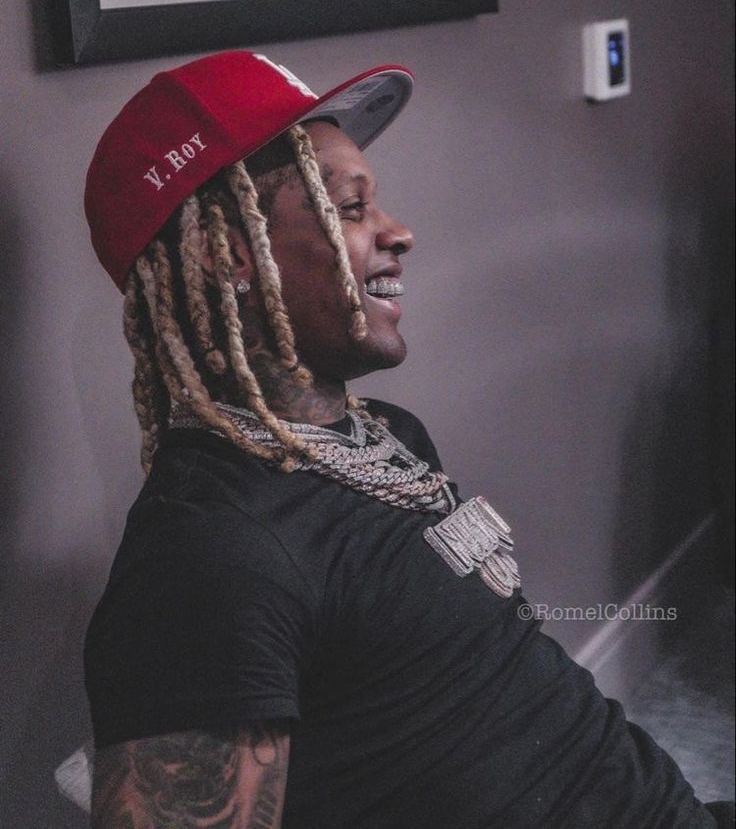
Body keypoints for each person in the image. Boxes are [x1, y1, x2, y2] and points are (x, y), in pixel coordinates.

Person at [83, 51, 733, 828]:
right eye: (351, 209)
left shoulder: (384, 437)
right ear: (227, 256)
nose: (400, 233)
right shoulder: (209, 554)